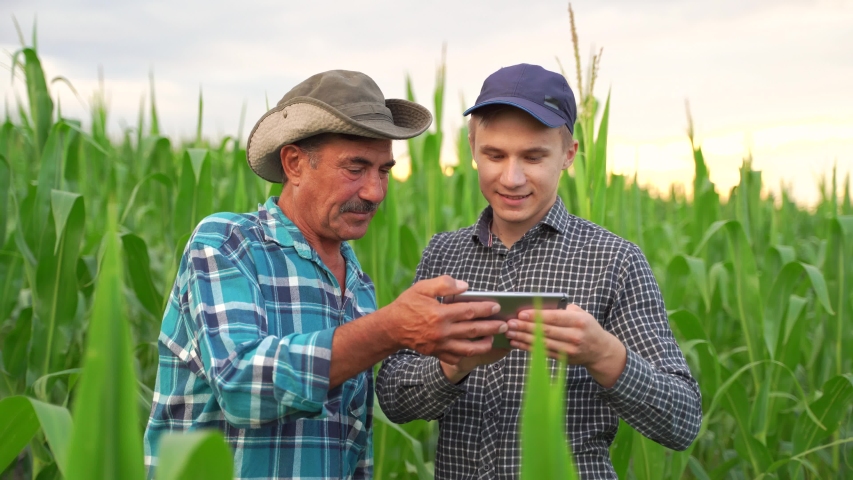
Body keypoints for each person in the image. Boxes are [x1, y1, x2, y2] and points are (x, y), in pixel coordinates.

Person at [142, 70, 509, 480]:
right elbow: (239, 385)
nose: (375, 191)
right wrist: (388, 330)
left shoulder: (357, 285)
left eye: (383, 170)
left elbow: (351, 446)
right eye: (355, 168)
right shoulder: (228, 243)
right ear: (295, 163)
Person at [376, 64, 702, 479]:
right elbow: (393, 399)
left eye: (533, 157)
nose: (511, 178)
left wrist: (604, 354)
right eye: (495, 155)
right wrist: (451, 365)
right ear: (472, 149)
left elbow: (682, 421)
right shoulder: (443, 257)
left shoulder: (613, 261)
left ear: (568, 154)